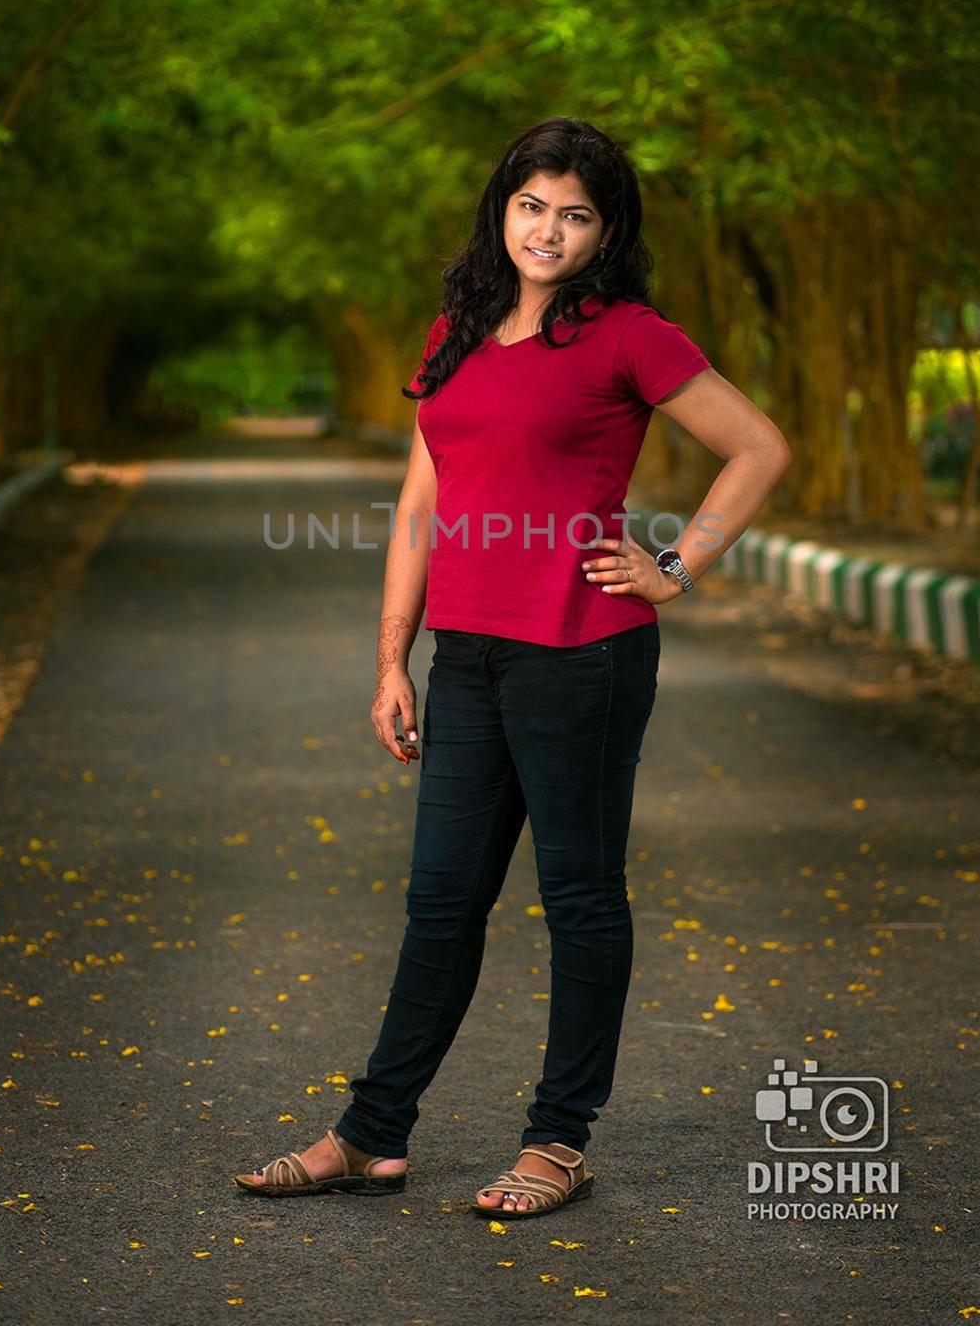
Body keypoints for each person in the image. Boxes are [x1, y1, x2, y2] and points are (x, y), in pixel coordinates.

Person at [233, 116, 792, 1217]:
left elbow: (760, 446)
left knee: (580, 899)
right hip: (471, 656)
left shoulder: (630, 335)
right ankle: (373, 1133)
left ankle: (558, 1142)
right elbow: (420, 498)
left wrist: (675, 564)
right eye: (533, 204)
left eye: (575, 214)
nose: (549, 229)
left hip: (582, 653)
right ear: (504, 207)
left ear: (603, 231)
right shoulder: (457, 328)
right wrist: (394, 656)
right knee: (441, 899)